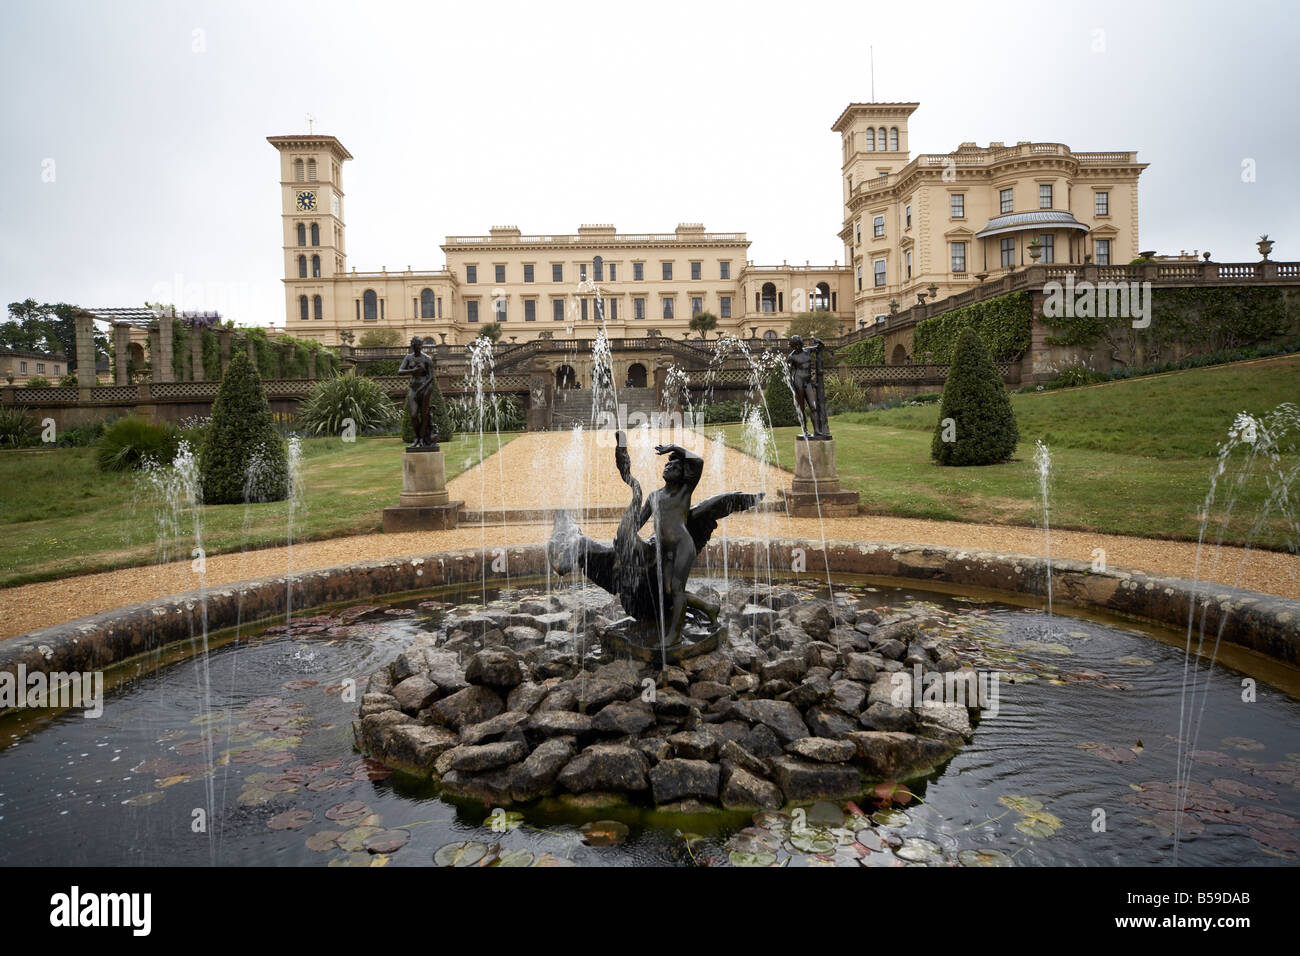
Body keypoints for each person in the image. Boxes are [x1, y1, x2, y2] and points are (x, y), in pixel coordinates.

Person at [548, 433, 763, 652]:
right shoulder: (653, 497)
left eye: (676, 467)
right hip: (660, 550)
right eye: (668, 466)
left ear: (683, 475)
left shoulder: (683, 491)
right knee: (669, 590)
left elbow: (698, 462)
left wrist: (674, 448)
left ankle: (674, 637)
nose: (669, 468)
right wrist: (628, 515)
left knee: (676, 590)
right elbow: (636, 524)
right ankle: (709, 608)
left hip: (682, 546)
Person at [396, 336, 437, 450]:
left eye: (419, 345)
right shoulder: (408, 358)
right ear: (412, 346)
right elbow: (400, 371)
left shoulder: (427, 358)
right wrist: (412, 371)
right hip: (413, 388)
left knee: (424, 416)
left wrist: (422, 387)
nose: (418, 347)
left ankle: (422, 439)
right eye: (416, 345)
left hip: (425, 388)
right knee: (414, 415)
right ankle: (418, 438)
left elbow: (431, 377)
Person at [787, 334, 830, 439]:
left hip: (807, 382)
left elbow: (820, 348)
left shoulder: (807, 350)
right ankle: (805, 430)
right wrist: (792, 386)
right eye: (795, 346)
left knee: (813, 407)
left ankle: (817, 431)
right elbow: (788, 373)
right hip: (798, 382)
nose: (797, 347)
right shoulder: (791, 356)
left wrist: (819, 341)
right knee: (801, 409)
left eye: (798, 345)